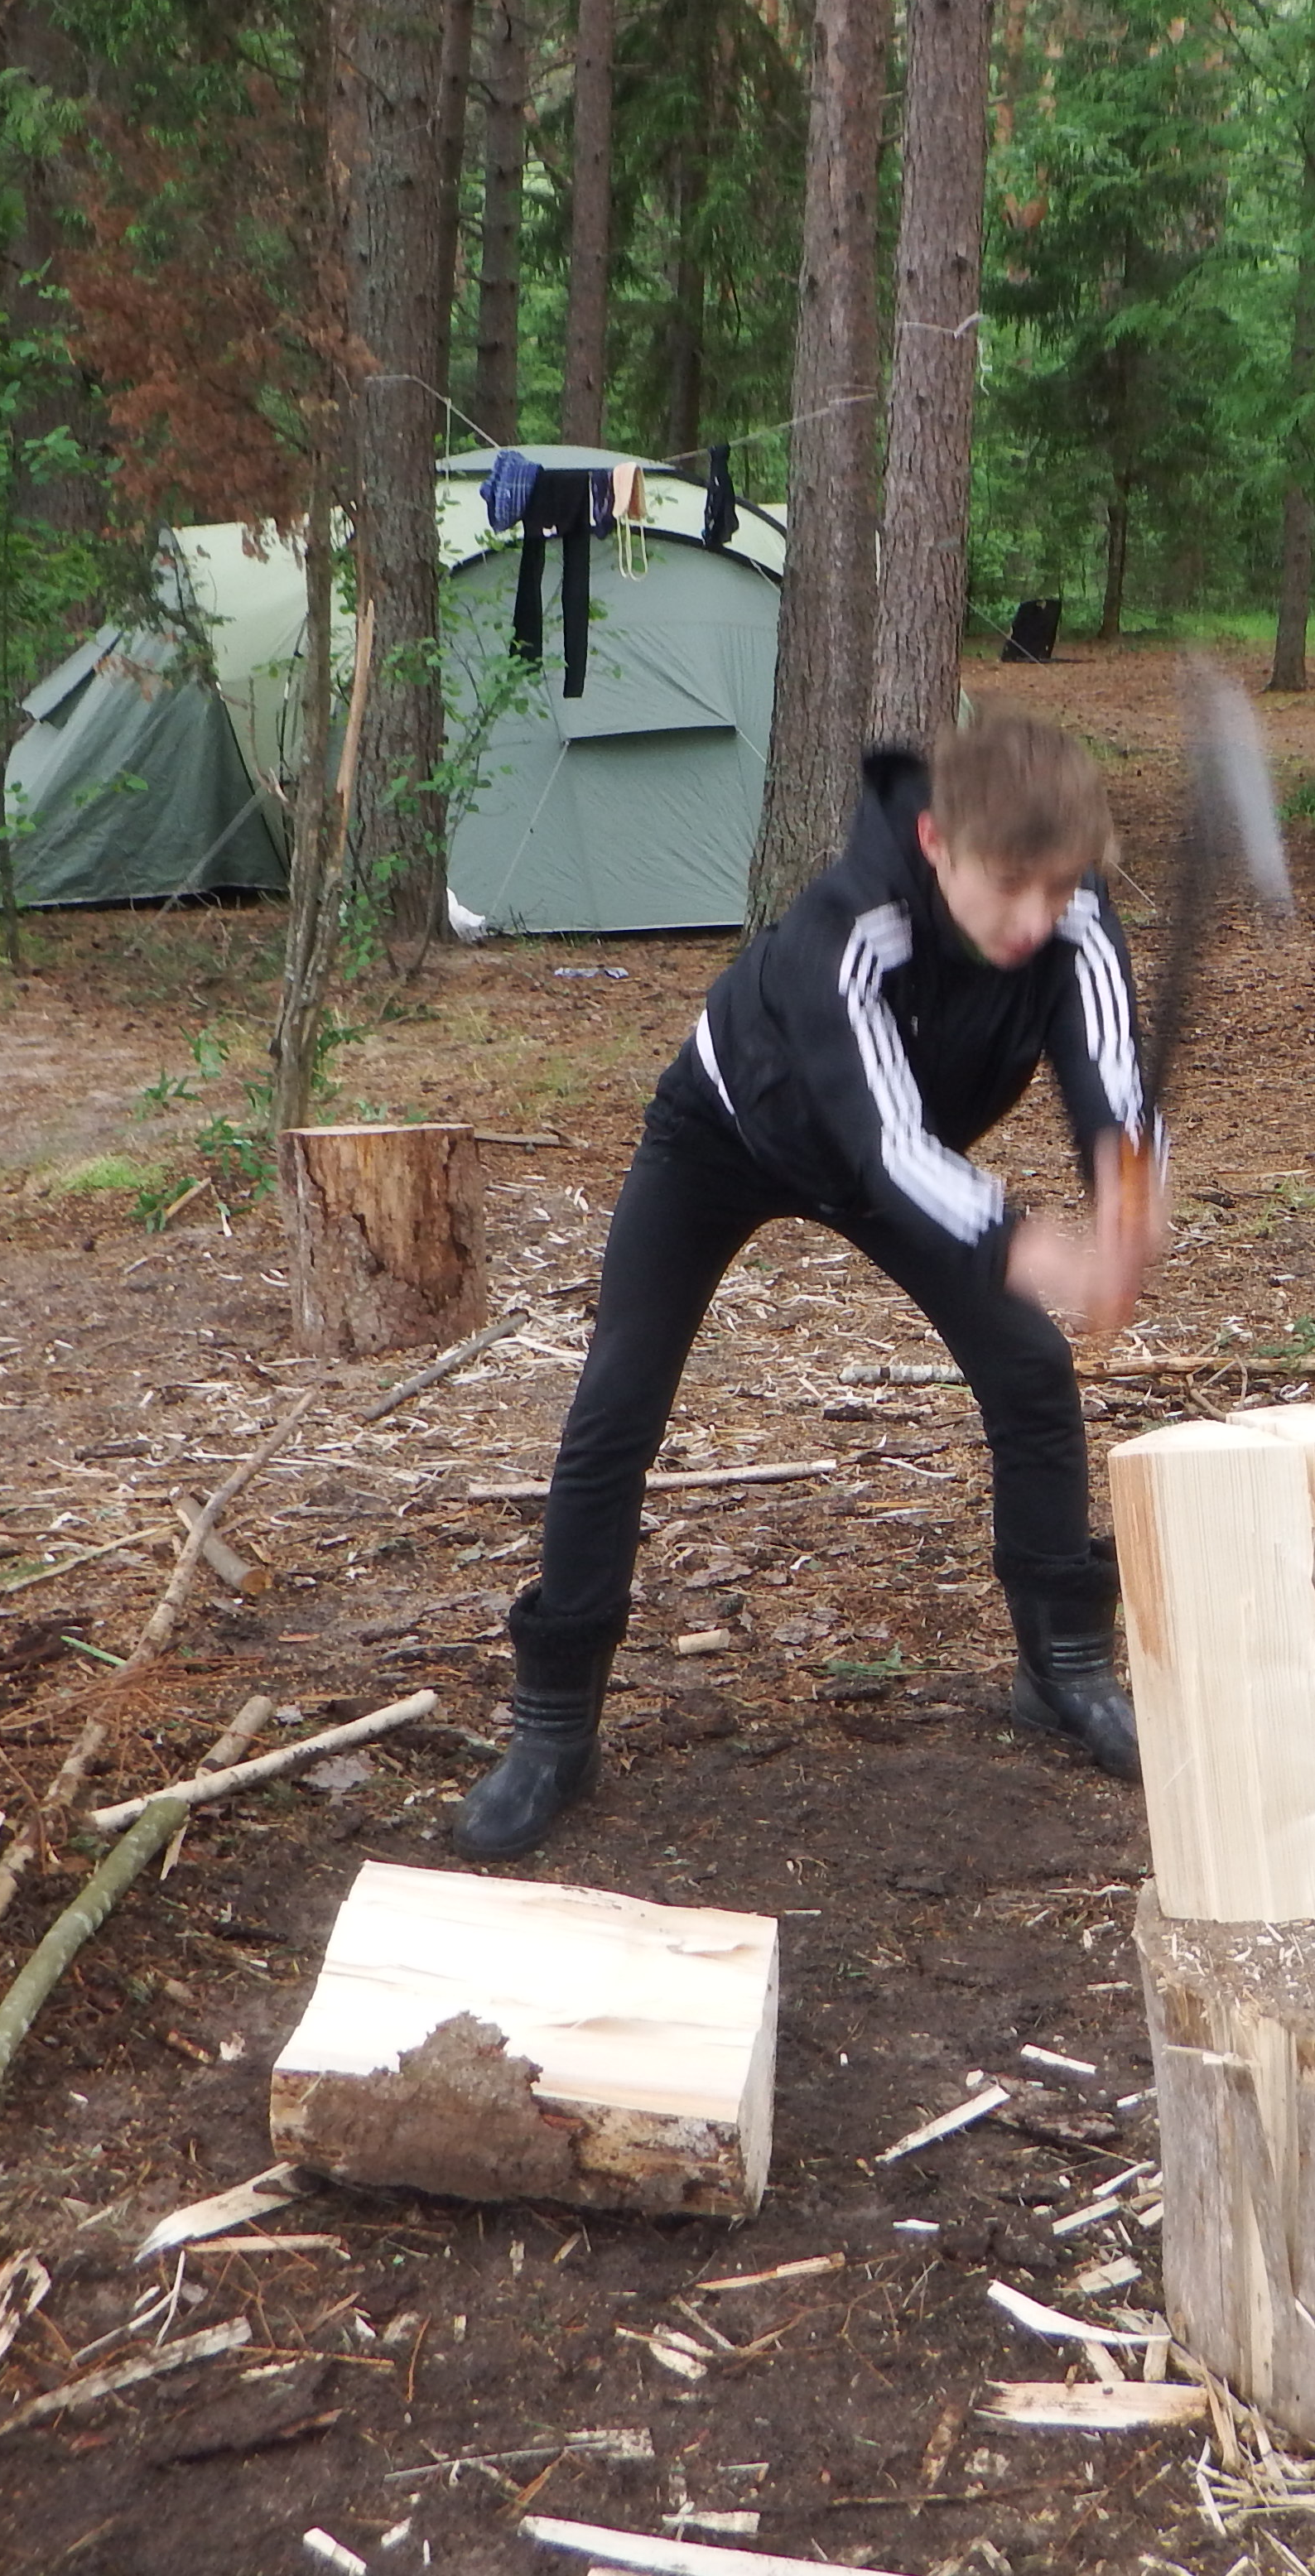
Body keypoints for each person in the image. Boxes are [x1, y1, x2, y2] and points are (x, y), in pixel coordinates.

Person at [452, 711, 1168, 1861]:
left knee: (1031, 1369)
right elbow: (883, 1142)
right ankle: (553, 1729)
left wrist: (1128, 1182)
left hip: (898, 1153)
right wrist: (1032, 1243)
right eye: (1010, 889)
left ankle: (1063, 1668)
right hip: (731, 1136)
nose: (1038, 919)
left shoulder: (1067, 907)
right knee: (616, 1405)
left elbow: (1110, 1074)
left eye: (1059, 889)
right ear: (936, 843)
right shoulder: (850, 925)